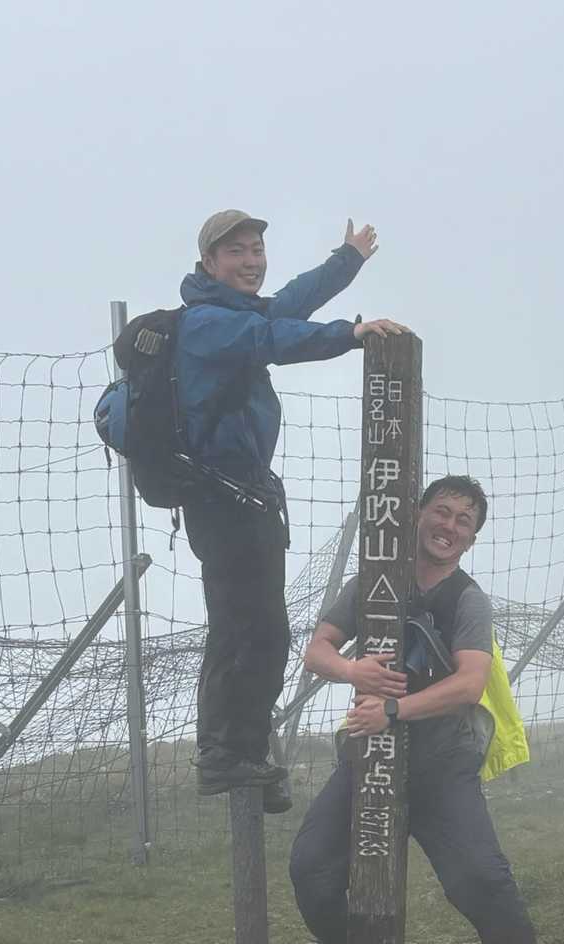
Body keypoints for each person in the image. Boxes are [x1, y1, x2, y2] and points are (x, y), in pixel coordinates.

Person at [284, 476, 545, 944]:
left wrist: (393, 710)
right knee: (311, 864)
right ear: (418, 513)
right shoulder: (373, 582)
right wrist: (353, 670)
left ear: (471, 539)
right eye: (442, 511)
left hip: (441, 760)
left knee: (478, 875)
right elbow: (318, 650)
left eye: (464, 521)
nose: (449, 526)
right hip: (369, 755)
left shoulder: (468, 600)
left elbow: (470, 683)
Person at [177, 207, 404, 808]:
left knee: (252, 629)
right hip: (222, 499)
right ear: (209, 263)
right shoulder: (206, 324)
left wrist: (347, 259)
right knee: (250, 631)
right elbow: (273, 338)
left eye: (256, 249)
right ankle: (226, 756)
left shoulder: (235, 313)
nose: (251, 261)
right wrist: (349, 334)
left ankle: (244, 755)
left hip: (243, 496)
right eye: (236, 252)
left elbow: (289, 303)